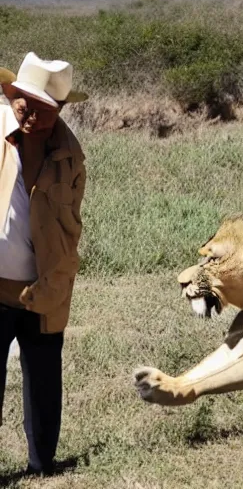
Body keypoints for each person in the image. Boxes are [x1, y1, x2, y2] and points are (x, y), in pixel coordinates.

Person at [0, 52, 87, 476]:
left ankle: (42, 465)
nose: (31, 116)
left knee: (44, 378)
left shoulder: (72, 156)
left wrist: (61, 272)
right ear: (10, 94)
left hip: (45, 287)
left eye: (44, 111)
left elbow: (71, 224)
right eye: (24, 105)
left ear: (61, 111)